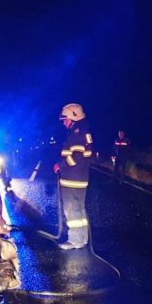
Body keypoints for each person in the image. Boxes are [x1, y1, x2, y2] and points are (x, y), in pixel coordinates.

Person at [53, 103, 93, 250]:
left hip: (72, 179)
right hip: (81, 179)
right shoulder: (84, 132)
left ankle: (75, 240)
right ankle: (82, 239)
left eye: (65, 119)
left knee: (71, 210)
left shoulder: (76, 134)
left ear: (73, 117)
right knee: (79, 210)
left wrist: (60, 165)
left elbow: (76, 157)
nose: (64, 122)